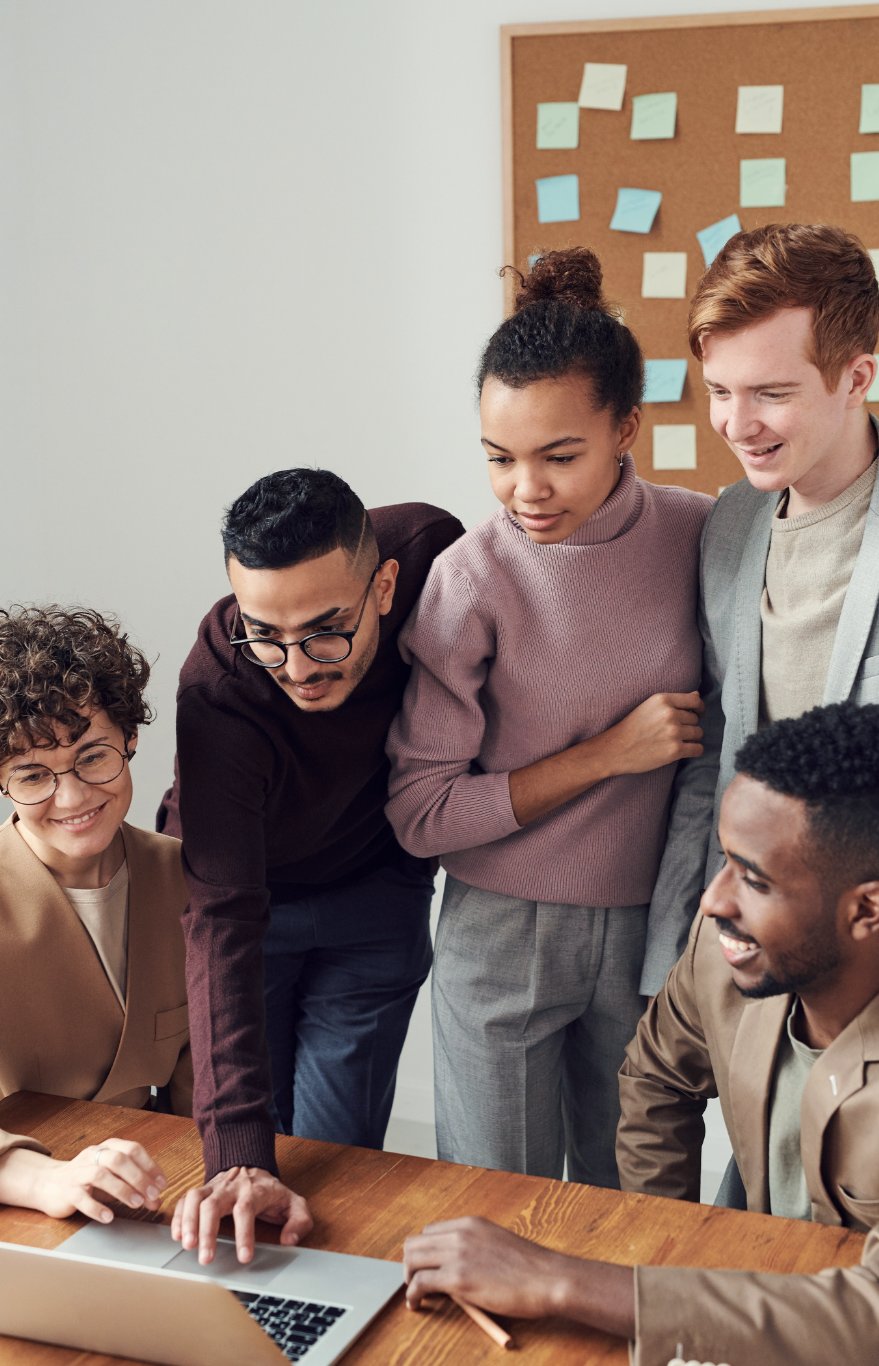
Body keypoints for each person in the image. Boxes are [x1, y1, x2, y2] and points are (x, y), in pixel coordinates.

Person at [403, 701, 879, 1366]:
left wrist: (574, 1282)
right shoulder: (728, 949)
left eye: (753, 878)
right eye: (724, 859)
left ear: (866, 907)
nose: (712, 899)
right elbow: (656, 1078)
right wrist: (664, 1273)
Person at [385, 248, 712, 1187]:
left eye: (558, 455)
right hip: (499, 927)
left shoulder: (700, 532)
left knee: (636, 1206)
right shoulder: (472, 575)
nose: (524, 488)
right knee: (498, 1210)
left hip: (651, 922)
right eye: (498, 457)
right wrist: (608, 755)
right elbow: (421, 812)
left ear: (627, 430)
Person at [159, 468, 462, 1265]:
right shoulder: (219, 689)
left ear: (386, 584)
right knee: (249, 1168)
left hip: (372, 891)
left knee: (336, 1170)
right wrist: (236, 1156)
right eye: (265, 632)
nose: (295, 665)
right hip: (240, 902)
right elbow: (221, 914)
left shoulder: (434, 553)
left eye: (327, 630)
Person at [642, 223, 879, 998]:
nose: (736, 424)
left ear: (855, 377)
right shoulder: (730, 526)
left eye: (770, 393)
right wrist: (675, 961)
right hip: (756, 950)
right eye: (719, 390)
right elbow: (716, 756)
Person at [0, 606, 190, 1226]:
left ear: (131, 737)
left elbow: (201, 1086)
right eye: (33, 775)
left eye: (93, 756)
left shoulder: (184, 878)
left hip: (156, 1193)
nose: (75, 797)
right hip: (22, 1202)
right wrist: (45, 1178)